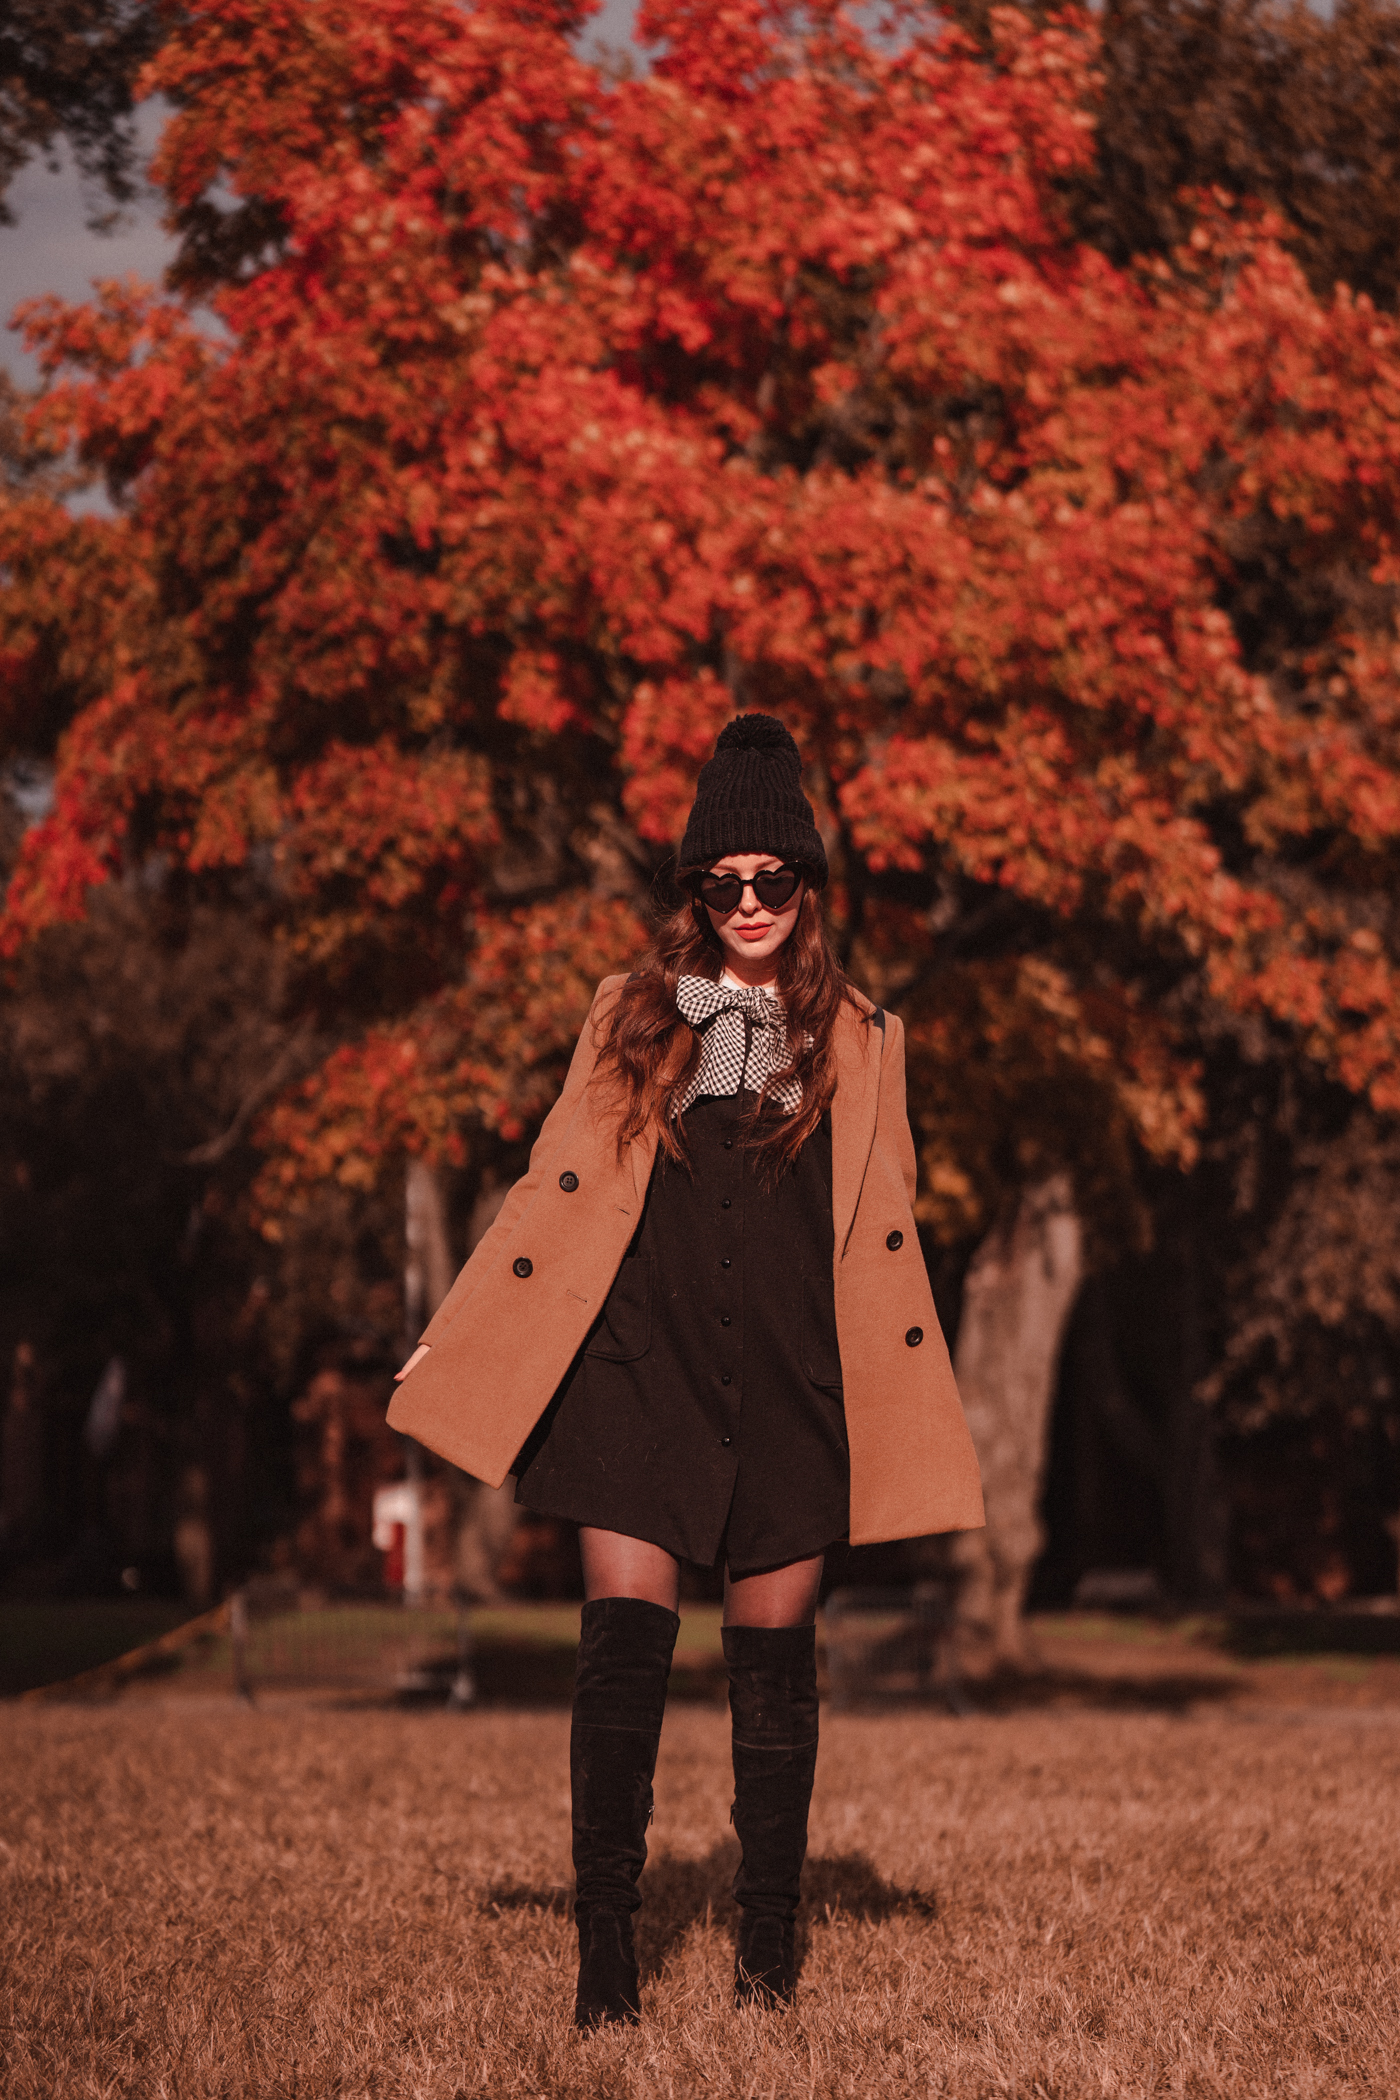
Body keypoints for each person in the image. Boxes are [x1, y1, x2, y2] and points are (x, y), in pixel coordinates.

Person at [389, 713, 984, 2026]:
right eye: (725, 882)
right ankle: (608, 1951)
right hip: (640, 1366)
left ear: (810, 889)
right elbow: (552, 1195)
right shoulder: (629, 1018)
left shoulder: (868, 1041)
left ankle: (766, 1954)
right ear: (694, 891)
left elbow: (891, 1221)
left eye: (774, 879)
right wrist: (471, 1328)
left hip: (789, 1380)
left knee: (778, 1680)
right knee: (623, 1661)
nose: (751, 903)